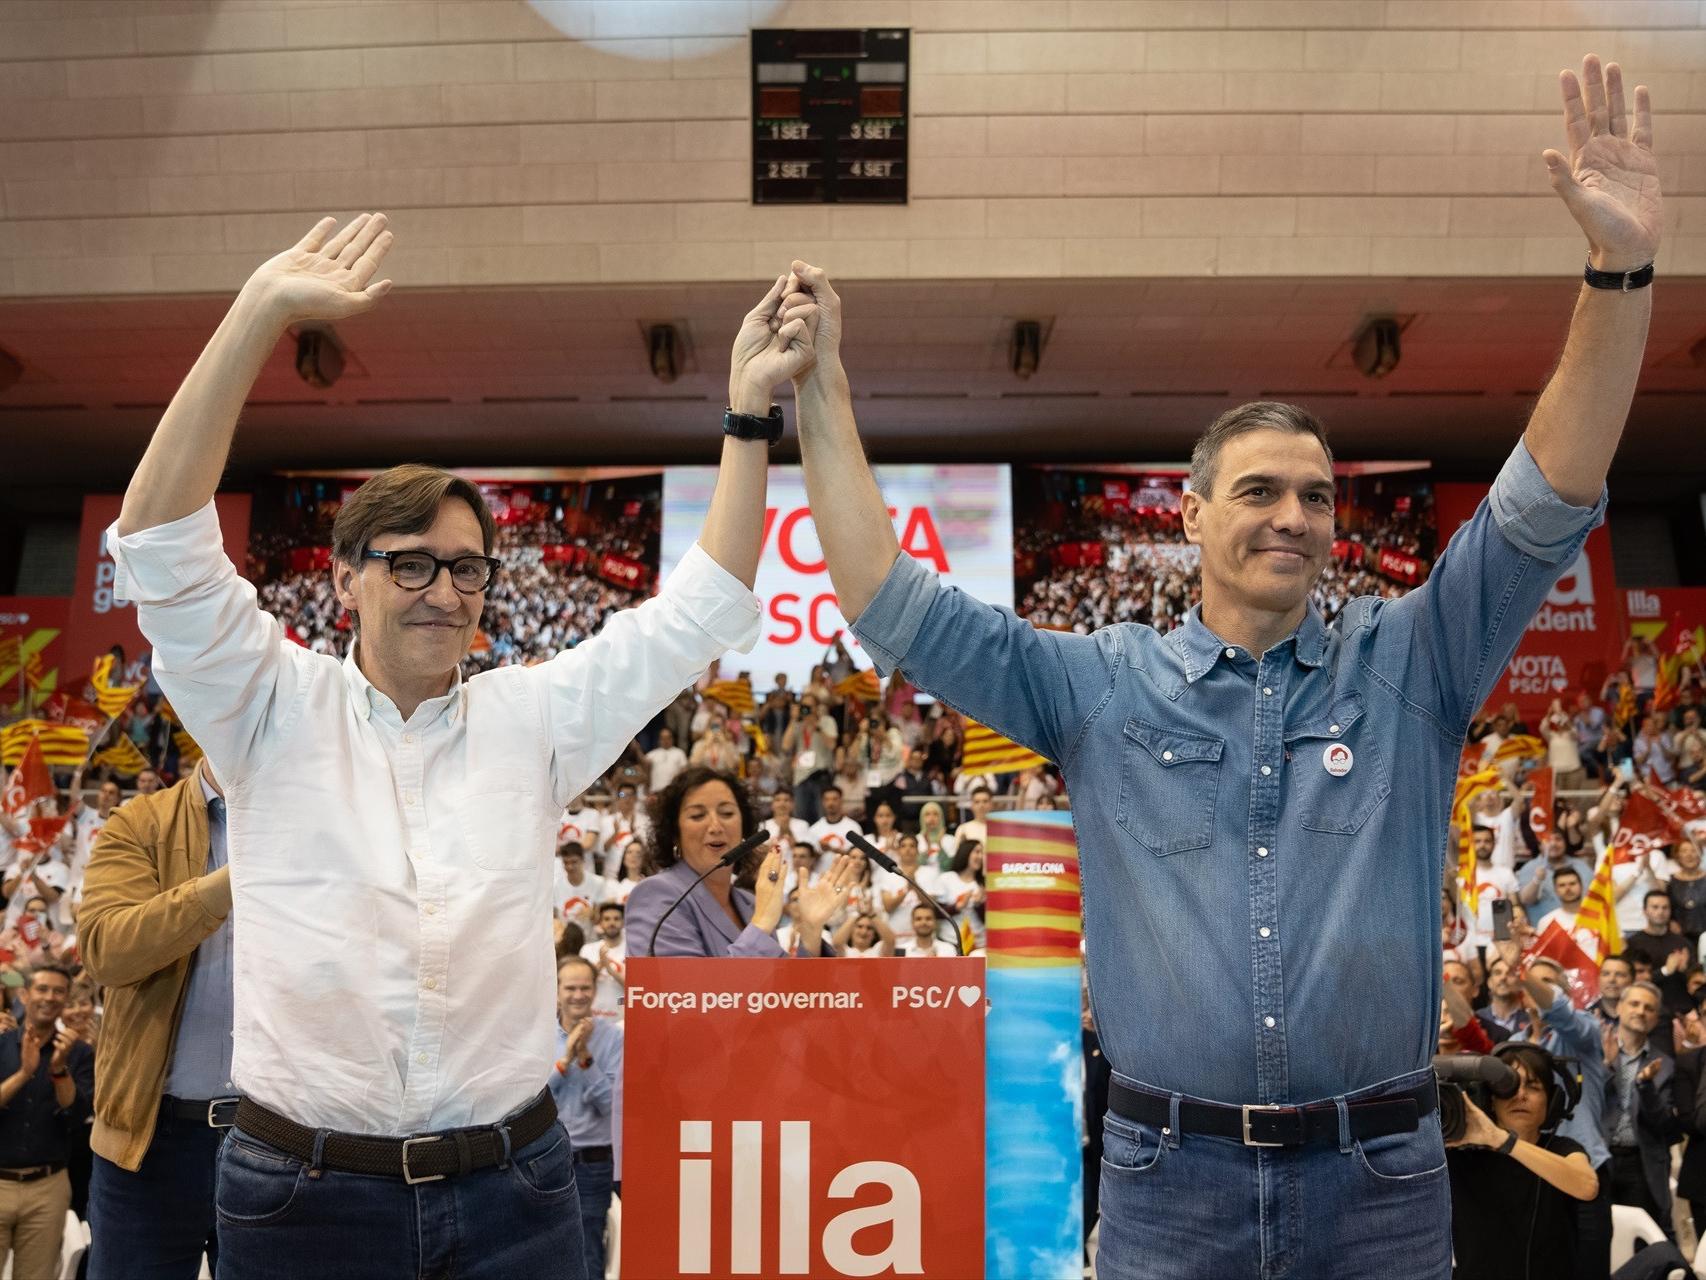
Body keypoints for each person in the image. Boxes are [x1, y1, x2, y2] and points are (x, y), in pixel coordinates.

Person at [784, 52, 1662, 1276]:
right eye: (1257, 490)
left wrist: (1617, 274)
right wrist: (820, 389)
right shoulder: (1096, 682)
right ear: (1189, 516)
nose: (1292, 514)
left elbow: (1545, 495)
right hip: (1165, 1184)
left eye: (1314, 494)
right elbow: (892, 603)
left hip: (1380, 1182)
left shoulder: (1413, 654)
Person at [108, 214, 815, 1277]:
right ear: (345, 578)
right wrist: (256, 314)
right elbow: (159, 538)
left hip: (515, 1193)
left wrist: (747, 412)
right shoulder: (264, 704)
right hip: (303, 1197)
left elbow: (704, 607)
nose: (446, 591)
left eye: (470, 568)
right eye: (412, 564)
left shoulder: (530, 718)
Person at [79, 762, 232, 1280]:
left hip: (287, 1141)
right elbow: (105, 950)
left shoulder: (326, 822)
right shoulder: (141, 820)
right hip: (150, 1143)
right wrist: (229, 884)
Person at [626, 767, 856, 959]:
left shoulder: (750, 903)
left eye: (727, 813)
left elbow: (785, 997)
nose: (716, 826)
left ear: (744, 829)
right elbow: (687, 1000)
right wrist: (761, 924)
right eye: (697, 816)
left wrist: (811, 931)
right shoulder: (657, 895)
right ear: (674, 833)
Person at [1444, 1043, 1598, 1280]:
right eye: (1508, 1087)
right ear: (1490, 1099)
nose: (1520, 1095)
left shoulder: (1561, 1149)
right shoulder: (1462, 1153)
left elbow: (1587, 1186)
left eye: (1533, 1086)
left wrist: (1502, 1140)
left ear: (1553, 1101)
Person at [0, 965, 94, 1280]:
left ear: (66, 998)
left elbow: (77, 1115)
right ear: (25, 994)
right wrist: (24, 1074)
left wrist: (57, 1070)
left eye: (58, 991)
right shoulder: (1, 1044)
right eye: (42, 989)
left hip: (48, 1187)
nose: (49, 997)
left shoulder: (79, 1053)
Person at [549, 957, 621, 1280]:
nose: (578, 995)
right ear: (557, 990)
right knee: (543, 1248)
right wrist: (565, 1061)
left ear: (595, 991)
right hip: (546, 1161)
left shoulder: (613, 1038)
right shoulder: (538, 1034)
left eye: (585, 987)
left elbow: (610, 1105)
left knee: (589, 1249)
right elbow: (536, 1100)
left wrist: (585, 1058)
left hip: (594, 1165)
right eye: (570, 987)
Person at [1600, 981, 1677, 1238]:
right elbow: (1583, 1102)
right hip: (1599, 1157)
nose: (1641, 1011)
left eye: (1649, 1008)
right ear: (1619, 1007)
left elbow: (1662, 1124)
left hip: (1640, 1163)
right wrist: (1605, 1066)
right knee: (1596, 1238)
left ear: (1656, 1018)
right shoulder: (1597, 1047)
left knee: (1637, 1242)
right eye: (1634, 1003)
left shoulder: (1664, 1064)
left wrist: (1645, 1085)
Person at [579, 902, 627, 1020]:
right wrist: (600, 965)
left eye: (616, 919)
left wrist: (610, 969)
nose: (612, 923)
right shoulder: (587, 949)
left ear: (623, 923)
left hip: (622, 1017)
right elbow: (580, 983)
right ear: (600, 923)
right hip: (592, 1016)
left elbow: (636, 988)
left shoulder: (631, 950)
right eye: (607, 919)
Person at [643, 726, 689, 796]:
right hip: (655, 793)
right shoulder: (651, 755)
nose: (665, 740)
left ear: (672, 739)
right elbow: (644, 774)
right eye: (663, 738)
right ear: (659, 740)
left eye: (668, 737)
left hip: (673, 792)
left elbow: (684, 772)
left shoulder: (679, 753)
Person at [831, 910, 895, 958]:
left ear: (874, 934)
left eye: (869, 928)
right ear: (851, 930)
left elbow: (890, 941)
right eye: (859, 926)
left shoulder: (878, 950)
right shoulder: (846, 951)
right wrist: (856, 914)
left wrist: (871, 914)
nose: (864, 932)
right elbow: (837, 943)